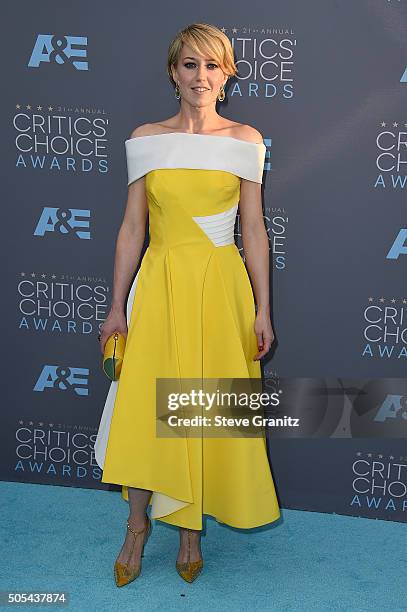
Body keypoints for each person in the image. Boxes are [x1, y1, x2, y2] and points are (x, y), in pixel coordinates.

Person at [94, 22, 281, 587]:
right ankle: (136, 525)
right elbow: (132, 229)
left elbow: (254, 230)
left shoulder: (245, 140)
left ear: (227, 75)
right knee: (147, 408)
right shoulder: (146, 137)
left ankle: (190, 530)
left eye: (212, 65)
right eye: (190, 65)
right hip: (161, 283)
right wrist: (115, 307)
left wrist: (263, 310)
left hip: (222, 288)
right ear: (173, 73)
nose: (202, 76)